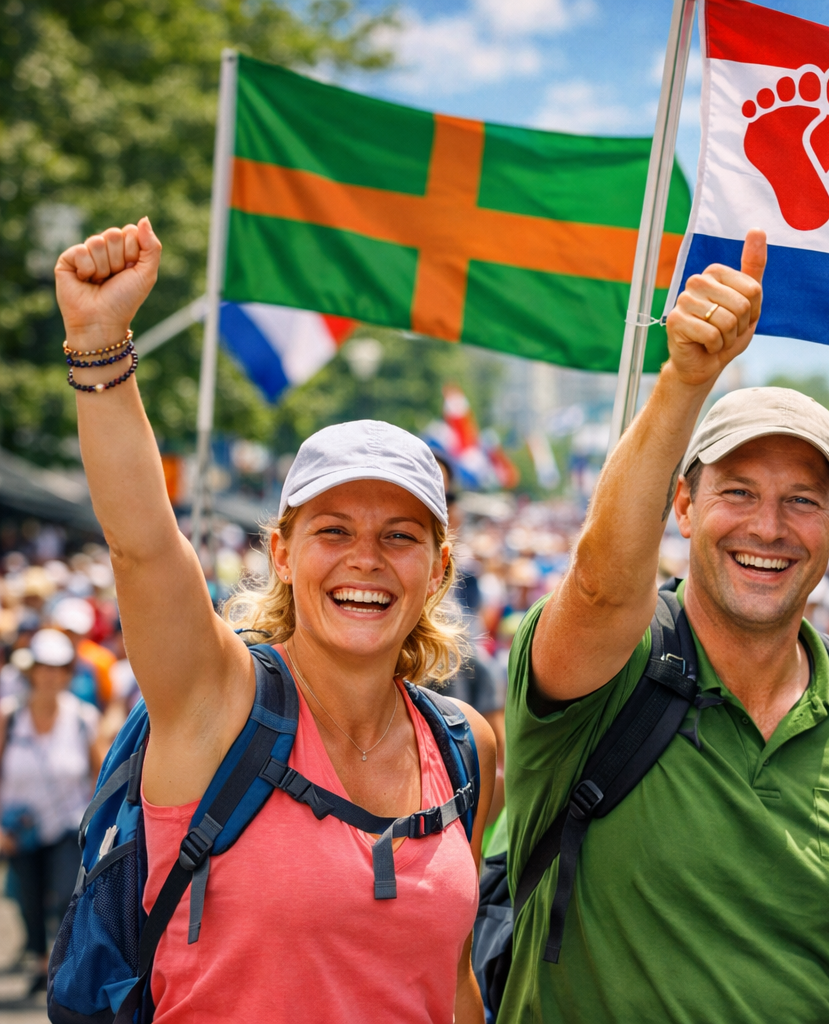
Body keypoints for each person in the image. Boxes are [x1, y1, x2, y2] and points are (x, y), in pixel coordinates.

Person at [54, 217, 497, 1021]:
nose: (366, 559)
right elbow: (143, 548)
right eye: (334, 531)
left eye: (400, 537)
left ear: (437, 570)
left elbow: (454, 980)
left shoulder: (465, 748)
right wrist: (99, 345)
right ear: (283, 554)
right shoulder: (218, 702)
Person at [498, 231, 829, 1022]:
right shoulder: (611, 666)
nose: (768, 527)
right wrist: (685, 380)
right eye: (738, 492)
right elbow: (598, 589)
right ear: (684, 506)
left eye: (801, 501)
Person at [0, 628, 101, 994]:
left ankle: (58, 967)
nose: (50, 676)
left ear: (68, 673)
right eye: (44, 667)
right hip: (20, 829)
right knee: (28, 900)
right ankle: (41, 960)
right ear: (32, 672)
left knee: (63, 897)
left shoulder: (83, 718)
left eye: (59, 668)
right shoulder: (9, 717)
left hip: (68, 827)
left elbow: (99, 776)